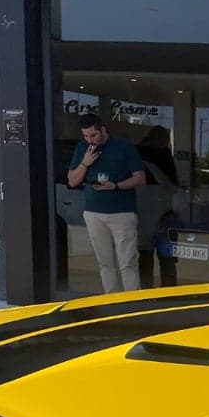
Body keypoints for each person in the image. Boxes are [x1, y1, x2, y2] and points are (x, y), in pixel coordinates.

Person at [67, 113, 146, 293]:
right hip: (93, 212)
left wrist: (116, 186)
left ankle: (132, 304)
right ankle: (111, 300)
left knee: (127, 262)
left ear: (102, 129)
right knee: (104, 262)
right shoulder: (83, 148)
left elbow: (140, 178)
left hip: (122, 212)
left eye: (93, 135)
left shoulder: (123, 147)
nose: (90, 140)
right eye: (85, 136)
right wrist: (85, 164)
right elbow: (72, 181)